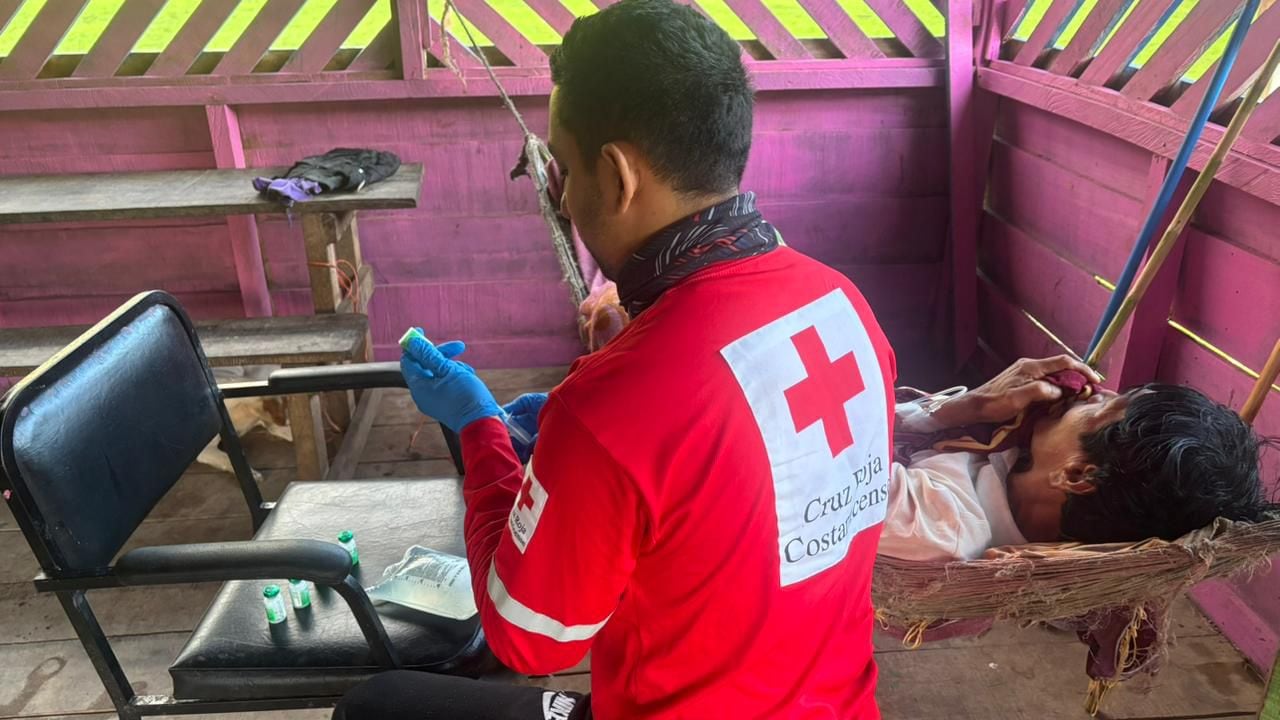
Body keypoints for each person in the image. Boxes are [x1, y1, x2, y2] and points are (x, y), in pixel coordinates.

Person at [330, 0, 1019, 716]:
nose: (561, 195)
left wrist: (480, 431)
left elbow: (531, 638)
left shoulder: (613, 402)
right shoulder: (841, 305)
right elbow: (723, 485)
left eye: (562, 167)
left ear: (617, 176)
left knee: (375, 705)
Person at [878, 358, 1273, 561]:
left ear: (1077, 474)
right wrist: (969, 407)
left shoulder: (934, 525)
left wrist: (956, 410)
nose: (1093, 391)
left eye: (1107, 404)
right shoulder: (1005, 454)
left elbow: (823, 457)